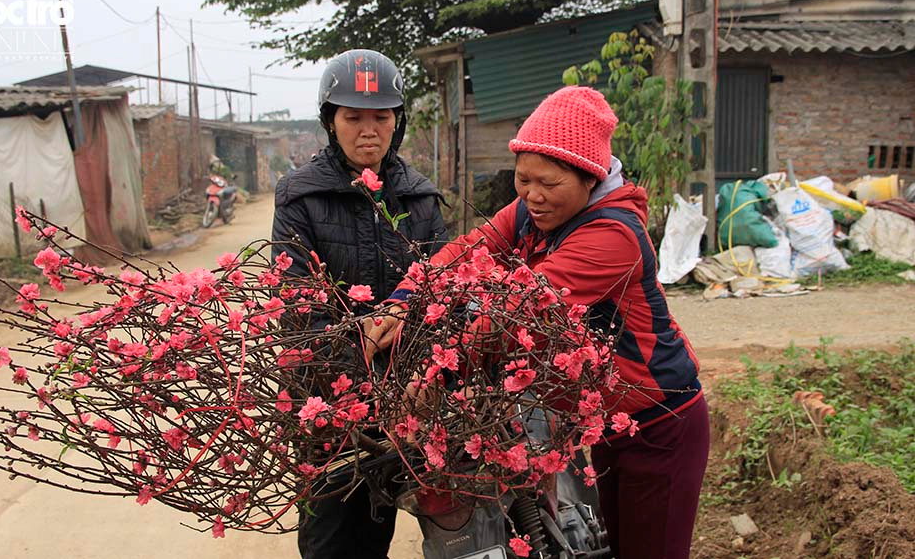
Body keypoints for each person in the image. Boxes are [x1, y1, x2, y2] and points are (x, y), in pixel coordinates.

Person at [365, 86, 709, 559]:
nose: (532, 195)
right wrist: (402, 302)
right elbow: (466, 251)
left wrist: (436, 374)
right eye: (523, 180)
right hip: (603, 421)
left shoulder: (614, 236)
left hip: (658, 423)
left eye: (548, 182)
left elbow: (513, 311)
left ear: (589, 177)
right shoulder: (532, 212)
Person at [271, 48, 449, 559]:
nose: (368, 130)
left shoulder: (418, 198)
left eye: (381, 117)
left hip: (396, 406)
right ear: (331, 121)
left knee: (374, 537)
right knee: (326, 538)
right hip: (323, 402)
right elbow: (300, 307)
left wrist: (415, 381)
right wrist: (354, 364)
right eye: (353, 117)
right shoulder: (299, 196)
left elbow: (438, 290)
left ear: (398, 122)